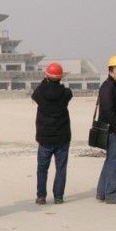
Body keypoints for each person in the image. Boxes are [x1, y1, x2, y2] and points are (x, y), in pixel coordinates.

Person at [32, 62, 72, 205]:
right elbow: (65, 91)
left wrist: (46, 79)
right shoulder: (66, 93)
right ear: (61, 77)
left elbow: (36, 92)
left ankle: (41, 196)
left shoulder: (40, 93)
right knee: (61, 168)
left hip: (45, 137)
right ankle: (59, 196)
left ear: (47, 76)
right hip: (62, 136)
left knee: (42, 168)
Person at [96, 54, 116, 204]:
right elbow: (108, 110)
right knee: (115, 161)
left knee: (110, 160)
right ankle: (111, 193)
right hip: (112, 130)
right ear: (110, 71)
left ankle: (102, 192)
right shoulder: (108, 87)